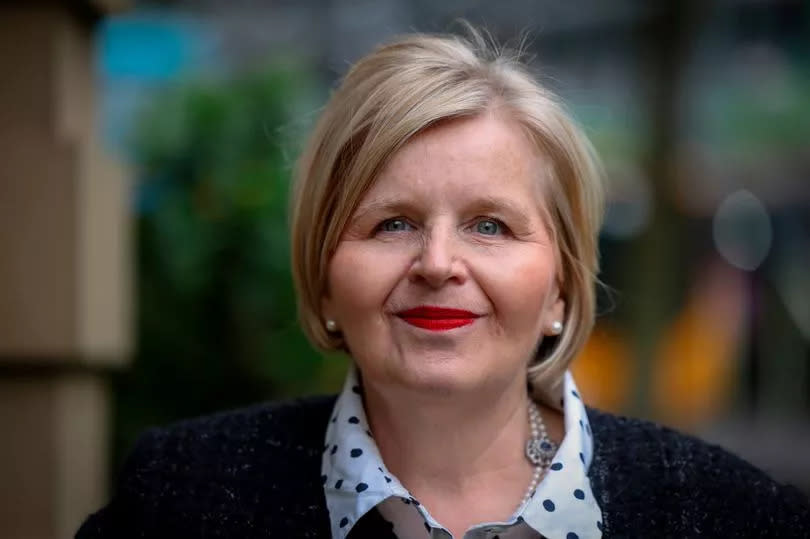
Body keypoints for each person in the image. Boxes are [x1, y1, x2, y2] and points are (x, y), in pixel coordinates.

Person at [76, 31, 810, 539]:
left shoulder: (728, 511)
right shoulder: (180, 499)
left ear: (559, 287)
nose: (436, 262)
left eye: (489, 225)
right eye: (391, 223)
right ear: (325, 279)